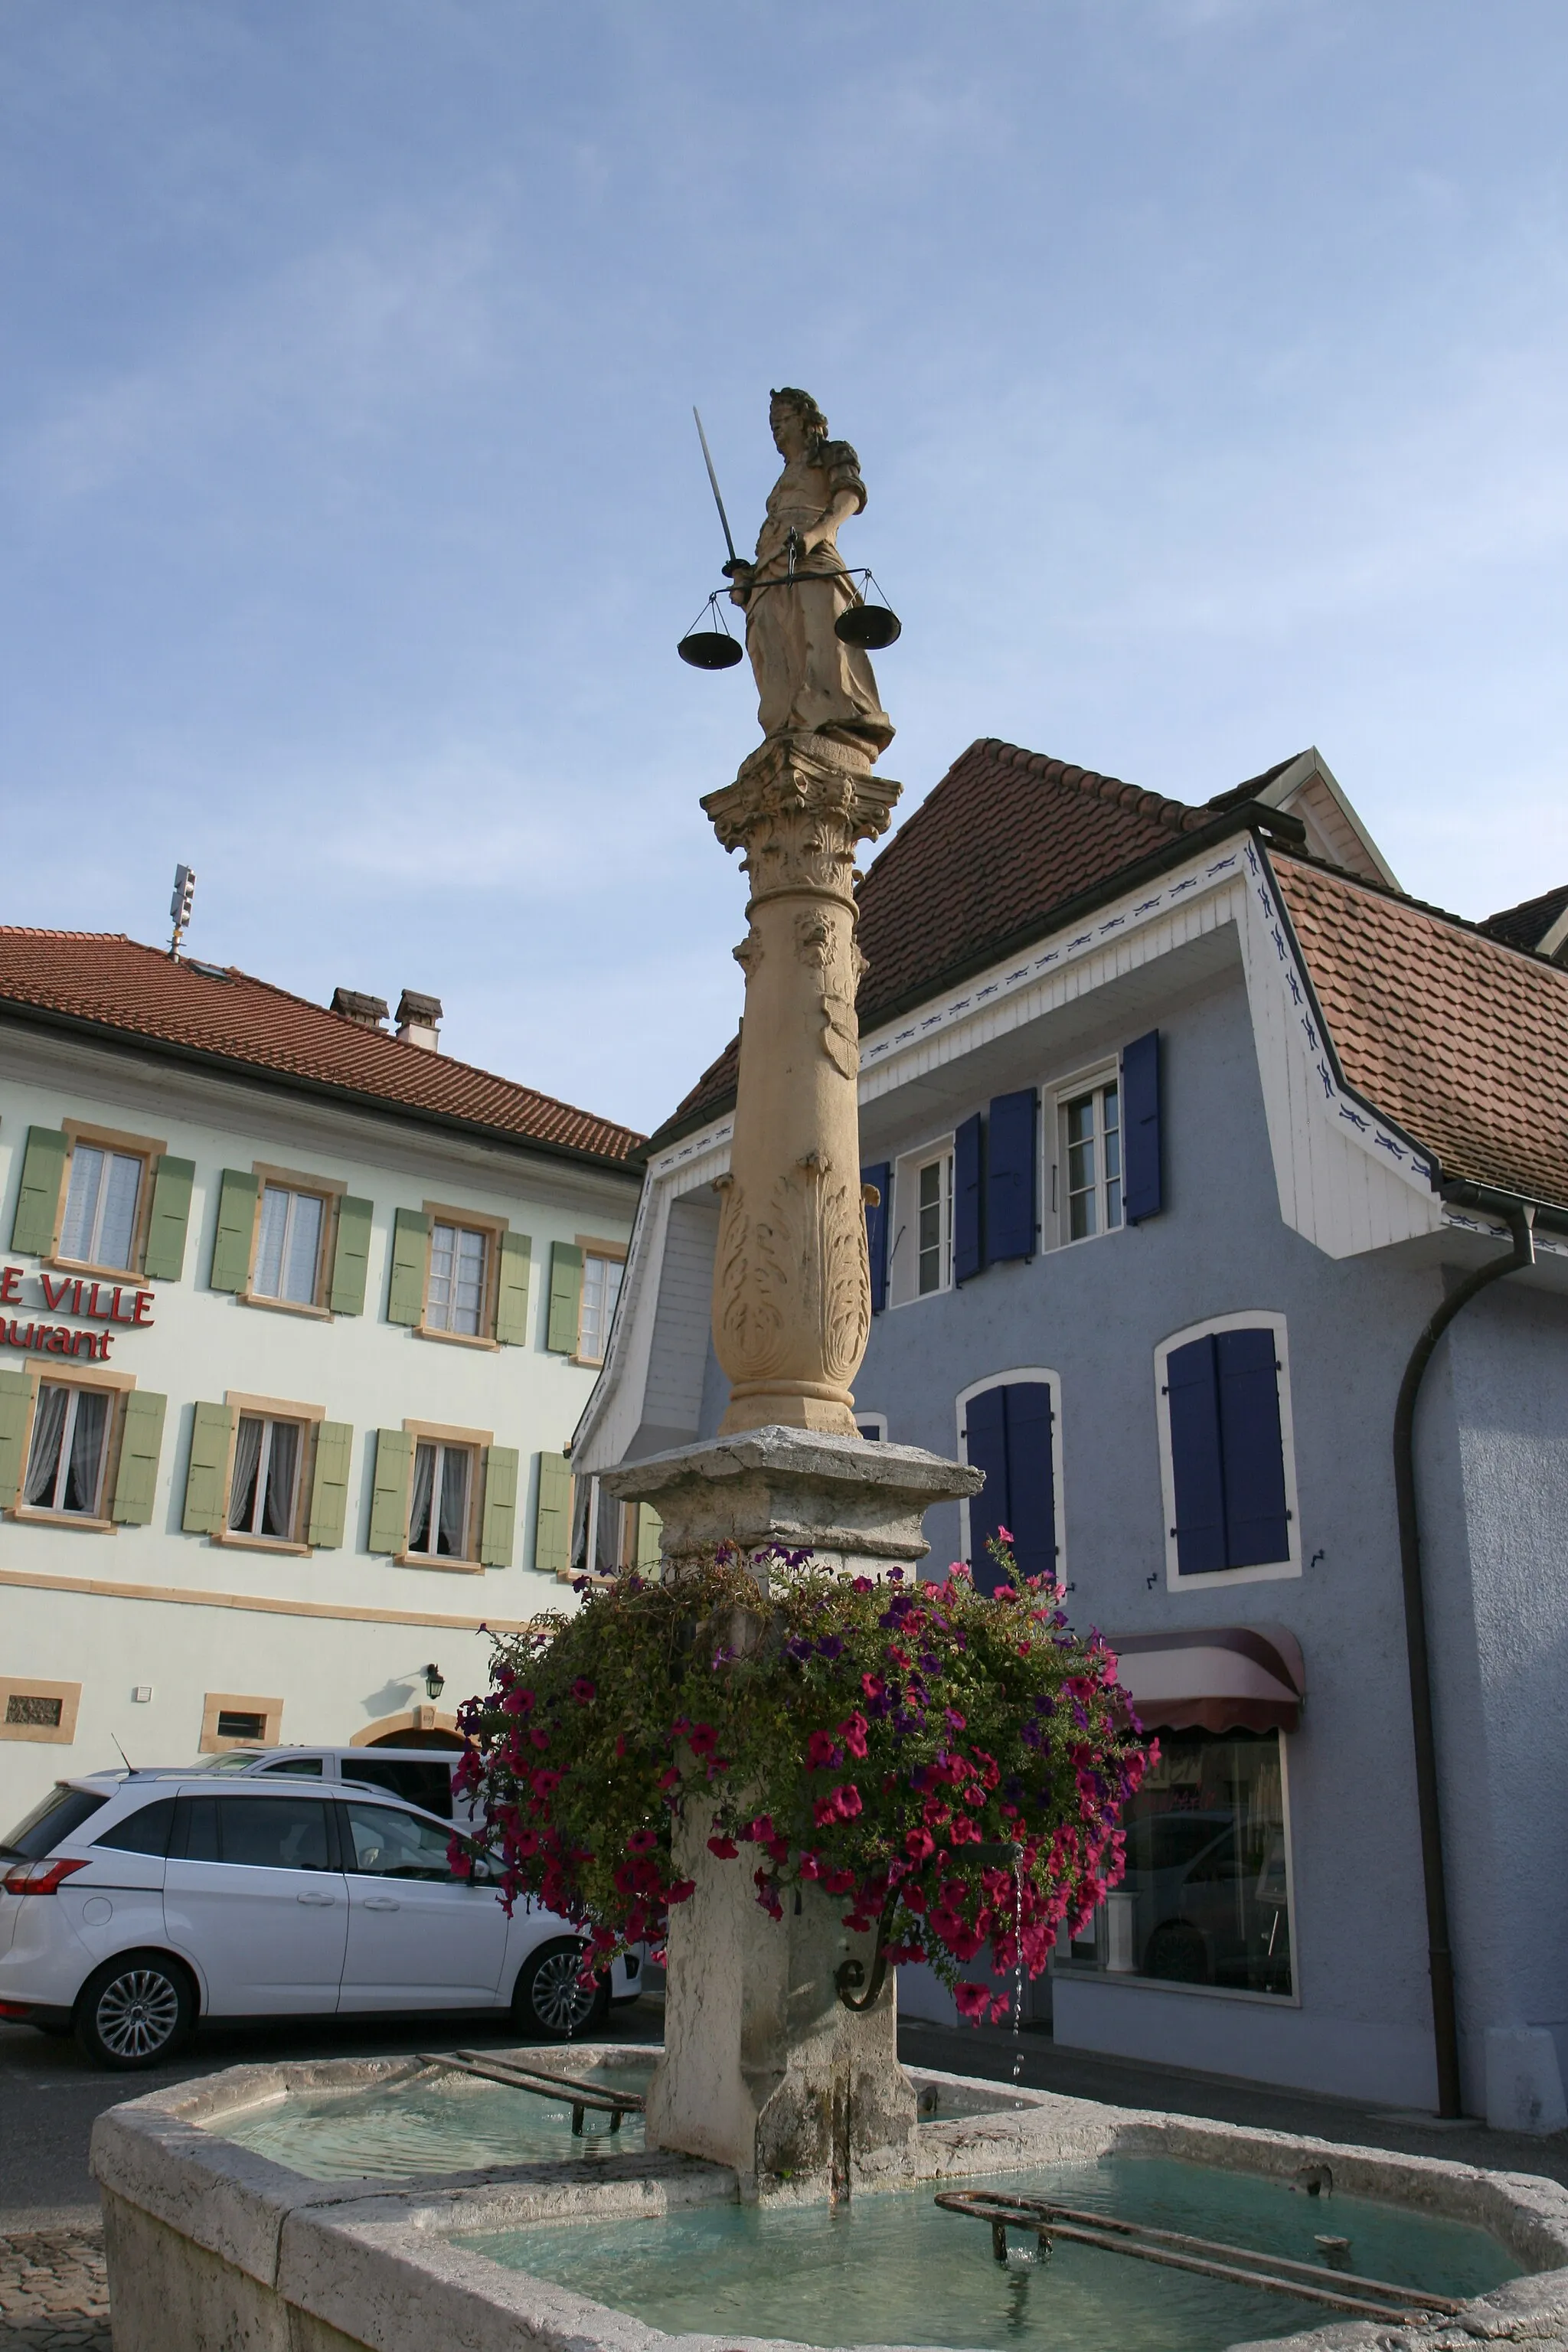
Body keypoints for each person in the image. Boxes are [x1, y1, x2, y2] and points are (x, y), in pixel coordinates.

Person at [727, 388, 893, 758]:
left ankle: (834, 716)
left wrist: (818, 535)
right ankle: (787, 724)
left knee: (820, 640)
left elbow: (848, 497)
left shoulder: (831, 454)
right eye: (772, 423)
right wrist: (747, 578)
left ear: (804, 421)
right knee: (774, 654)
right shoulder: (782, 480)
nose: (776, 429)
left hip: (810, 558)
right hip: (771, 569)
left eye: (782, 420)